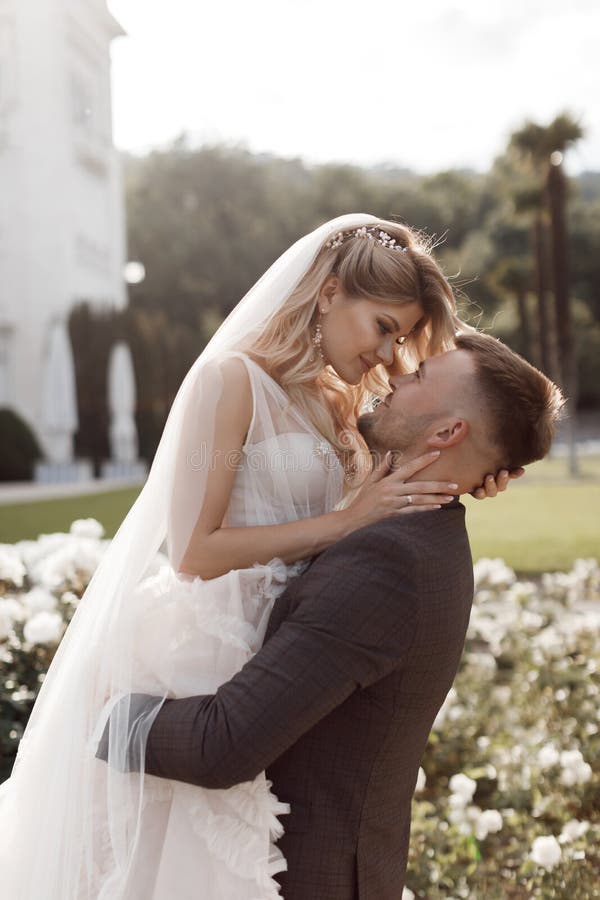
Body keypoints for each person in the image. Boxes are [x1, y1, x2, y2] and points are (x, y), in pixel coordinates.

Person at [0, 215, 509, 899]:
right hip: (202, 656)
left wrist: (480, 467)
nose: (391, 356)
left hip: (275, 660)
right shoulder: (229, 384)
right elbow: (193, 550)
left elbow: (433, 439)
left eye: (402, 338)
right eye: (384, 327)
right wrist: (341, 523)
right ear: (329, 294)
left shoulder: (342, 402)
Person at [99, 331, 565, 899]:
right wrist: (484, 459)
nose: (395, 374)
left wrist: (101, 715)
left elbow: (223, 745)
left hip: (297, 877)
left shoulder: (387, 562)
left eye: (418, 378)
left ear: (447, 432)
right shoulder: (428, 534)